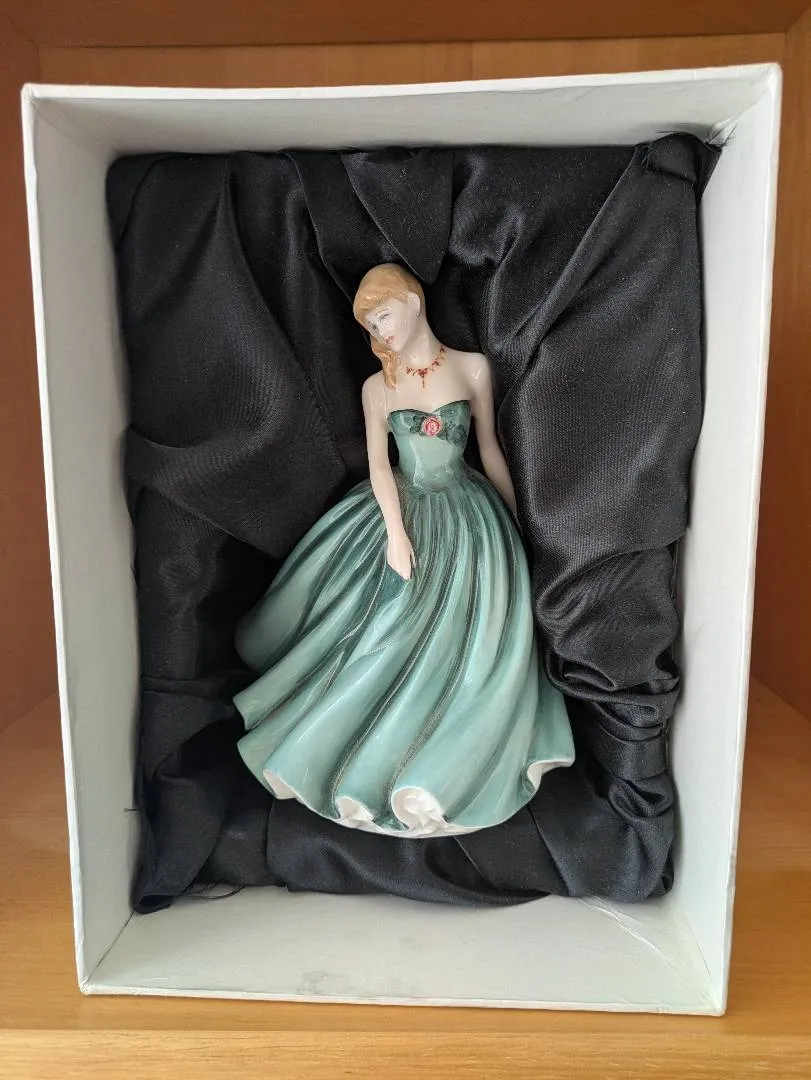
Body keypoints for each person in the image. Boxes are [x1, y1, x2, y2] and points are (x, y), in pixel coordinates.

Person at [234, 263, 574, 837]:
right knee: (382, 622)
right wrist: (395, 531)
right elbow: (378, 464)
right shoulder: (378, 387)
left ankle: (452, 750)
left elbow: (490, 449)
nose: (380, 331)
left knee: (472, 628)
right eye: (371, 324)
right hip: (401, 506)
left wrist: (515, 519)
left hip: (467, 513)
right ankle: (351, 745)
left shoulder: (472, 367)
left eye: (384, 316)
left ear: (414, 303)